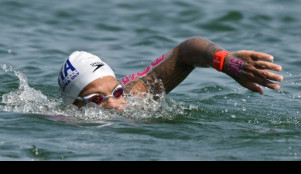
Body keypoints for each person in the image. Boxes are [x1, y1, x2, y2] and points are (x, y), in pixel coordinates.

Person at [58, 37, 283, 111]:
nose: (116, 104)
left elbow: (184, 52)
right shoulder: (63, 121)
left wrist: (225, 62)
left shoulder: (135, 94)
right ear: (75, 105)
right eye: (97, 99)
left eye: (117, 91)